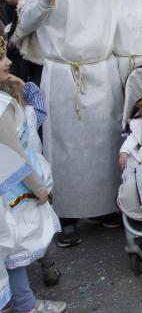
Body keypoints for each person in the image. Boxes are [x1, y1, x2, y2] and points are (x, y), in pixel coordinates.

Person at [17, 0, 124, 248]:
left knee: (105, 144)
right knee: (66, 147)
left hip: (103, 71)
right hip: (64, 74)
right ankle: (67, 216)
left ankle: (106, 208)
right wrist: (45, 0)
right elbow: (25, 25)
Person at [0, 37, 65, 313]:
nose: (8, 62)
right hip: (13, 192)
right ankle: (26, 305)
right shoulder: (1, 108)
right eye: (1, 59)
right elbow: (13, 158)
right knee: (15, 249)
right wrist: (39, 188)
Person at [1, 0, 42, 84]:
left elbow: (33, 23)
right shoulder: (11, 2)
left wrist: (20, 1)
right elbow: (13, 35)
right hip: (23, 62)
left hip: (43, 62)